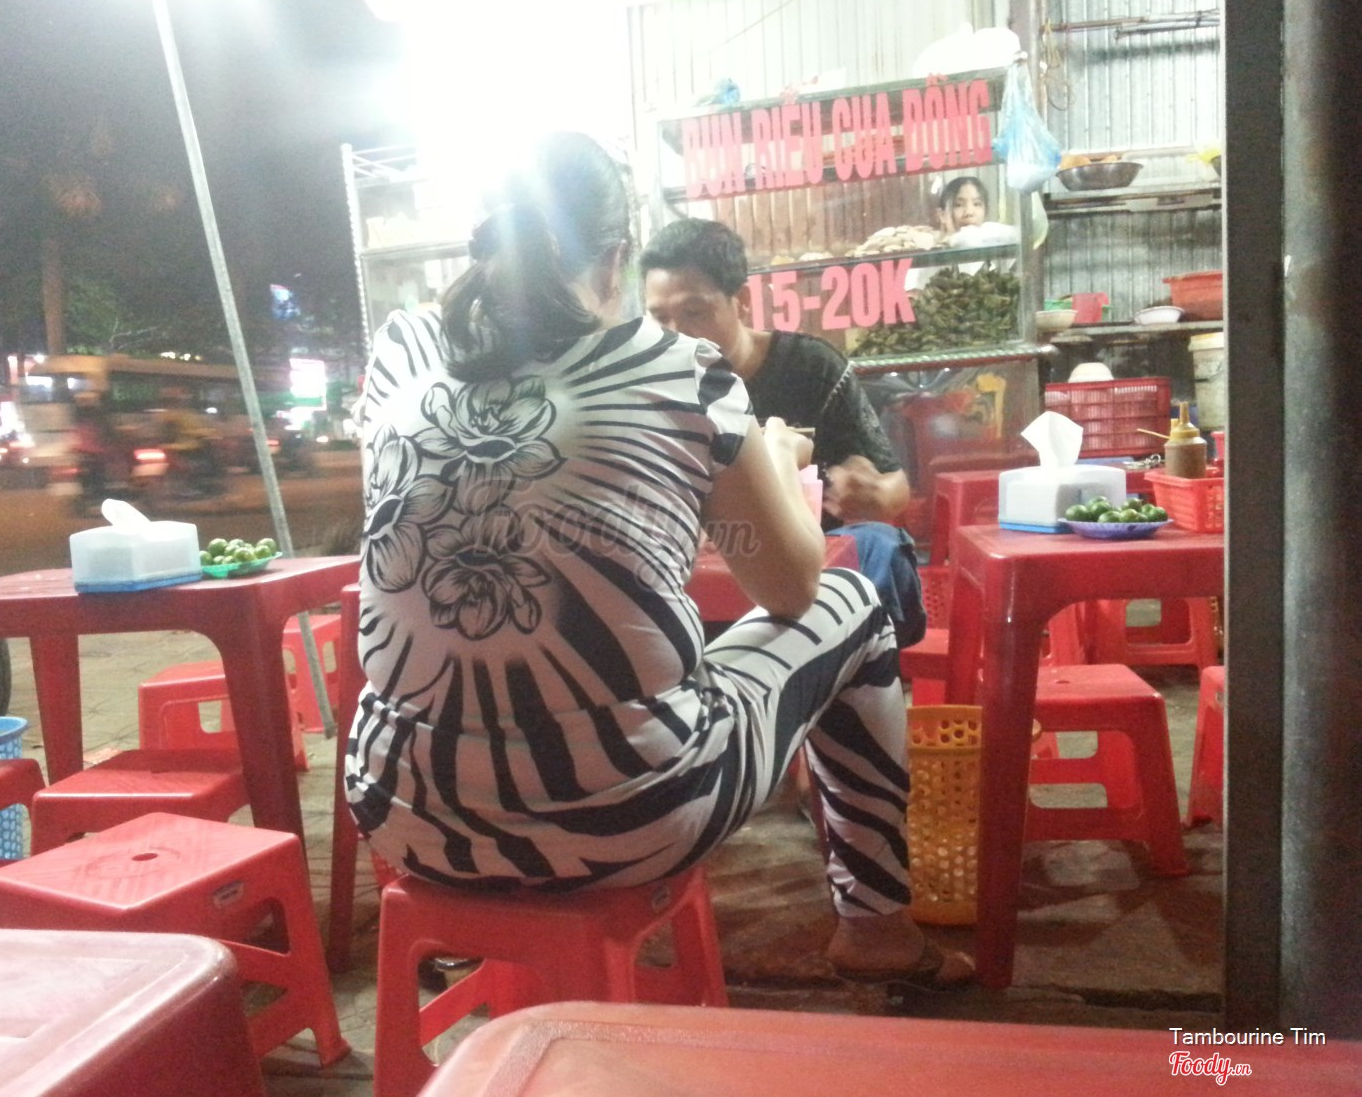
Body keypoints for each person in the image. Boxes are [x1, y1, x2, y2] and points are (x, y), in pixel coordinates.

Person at [344, 132, 971, 989]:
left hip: (397, 809)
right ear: (616, 262)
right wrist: (773, 456)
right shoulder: (677, 371)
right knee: (855, 605)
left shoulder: (403, 353)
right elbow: (789, 586)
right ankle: (876, 927)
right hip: (629, 818)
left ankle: (471, 916)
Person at [640, 218, 926, 648]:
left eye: (694, 313)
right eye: (660, 318)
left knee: (882, 546)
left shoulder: (810, 368)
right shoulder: (651, 386)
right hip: (702, 569)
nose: (676, 335)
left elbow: (894, 486)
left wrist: (873, 495)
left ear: (742, 301)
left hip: (818, 560)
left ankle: (855, 665)